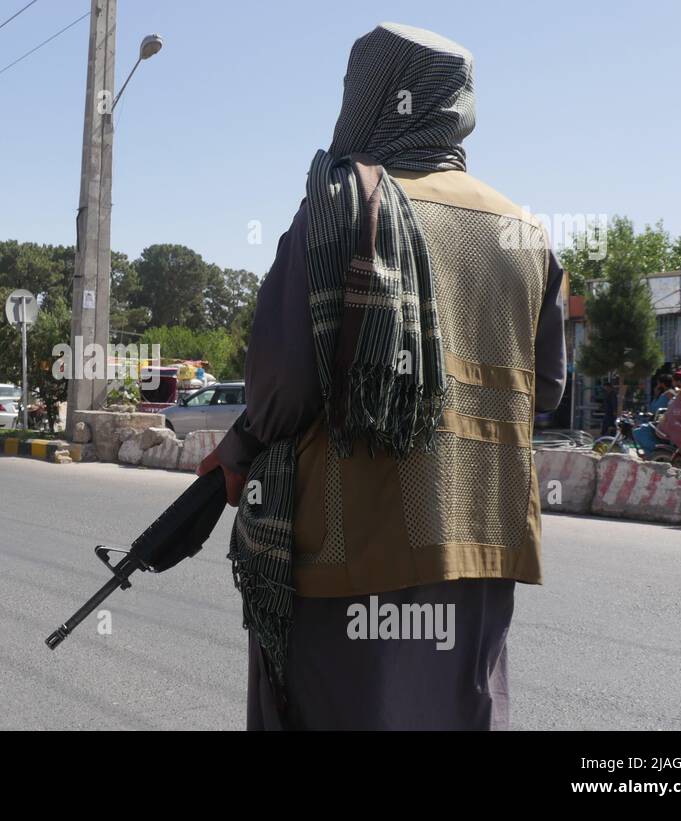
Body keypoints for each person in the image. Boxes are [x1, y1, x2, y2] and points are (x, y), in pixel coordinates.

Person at [198, 23, 566, 730]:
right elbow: (542, 390)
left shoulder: (340, 209)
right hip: (482, 545)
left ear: (372, 96)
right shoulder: (527, 232)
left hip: (349, 554)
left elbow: (280, 393)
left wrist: (239, 452)